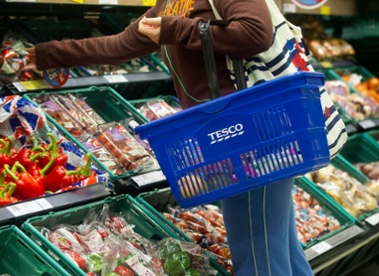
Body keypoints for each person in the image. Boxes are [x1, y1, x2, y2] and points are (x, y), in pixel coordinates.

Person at [24, 0, 315, 275]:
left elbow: (257, 33)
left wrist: (177, 30)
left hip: (252, 136)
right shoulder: (172, 2)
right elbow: (121, 44)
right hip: (230, 138)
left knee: (257, 255)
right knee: (282, 249)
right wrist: (47, 55)